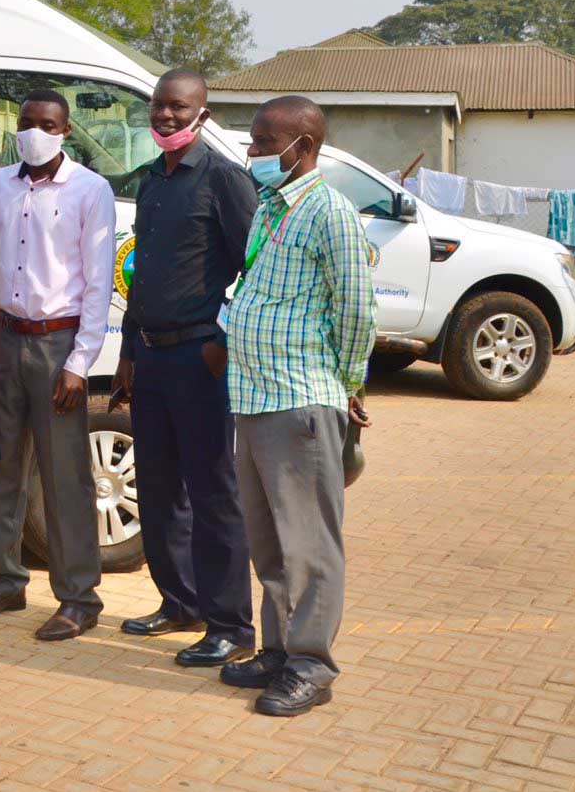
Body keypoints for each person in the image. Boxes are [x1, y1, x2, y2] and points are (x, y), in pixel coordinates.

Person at [218, 95, 375, 717]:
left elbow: (356, 310)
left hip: (301, 397)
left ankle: (312, 665)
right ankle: (279, 649)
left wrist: (346, 384)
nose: (252, 154)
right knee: (271, 542)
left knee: (309, 544)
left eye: (262, 144)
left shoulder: (330, 212)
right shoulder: (268, 210)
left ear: (302, 148)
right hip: (253, 398)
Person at [111, 68, 259, 667]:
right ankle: (180, 601)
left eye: (178, 108)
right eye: (159, 107)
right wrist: (125, 352)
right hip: (149, 354)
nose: (165, 116)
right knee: (160, 487)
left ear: (202, 114)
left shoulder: (224, 179)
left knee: (212, 492)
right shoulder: (152, 181)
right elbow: (140, 273)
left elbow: (255, 269)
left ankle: (230, 625)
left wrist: (223, 338)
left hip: (200, 358)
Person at [0, 90, 114, 641]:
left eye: (47, 123)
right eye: (27, 122)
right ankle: (4, 579)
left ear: (66, 131)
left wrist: (80, 362)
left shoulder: (90, 190)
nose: (35, 131)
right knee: (0, 469)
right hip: (3, 336)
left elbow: (98, 281)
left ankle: (78, 596)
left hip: (56, 343)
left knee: (64, 476)